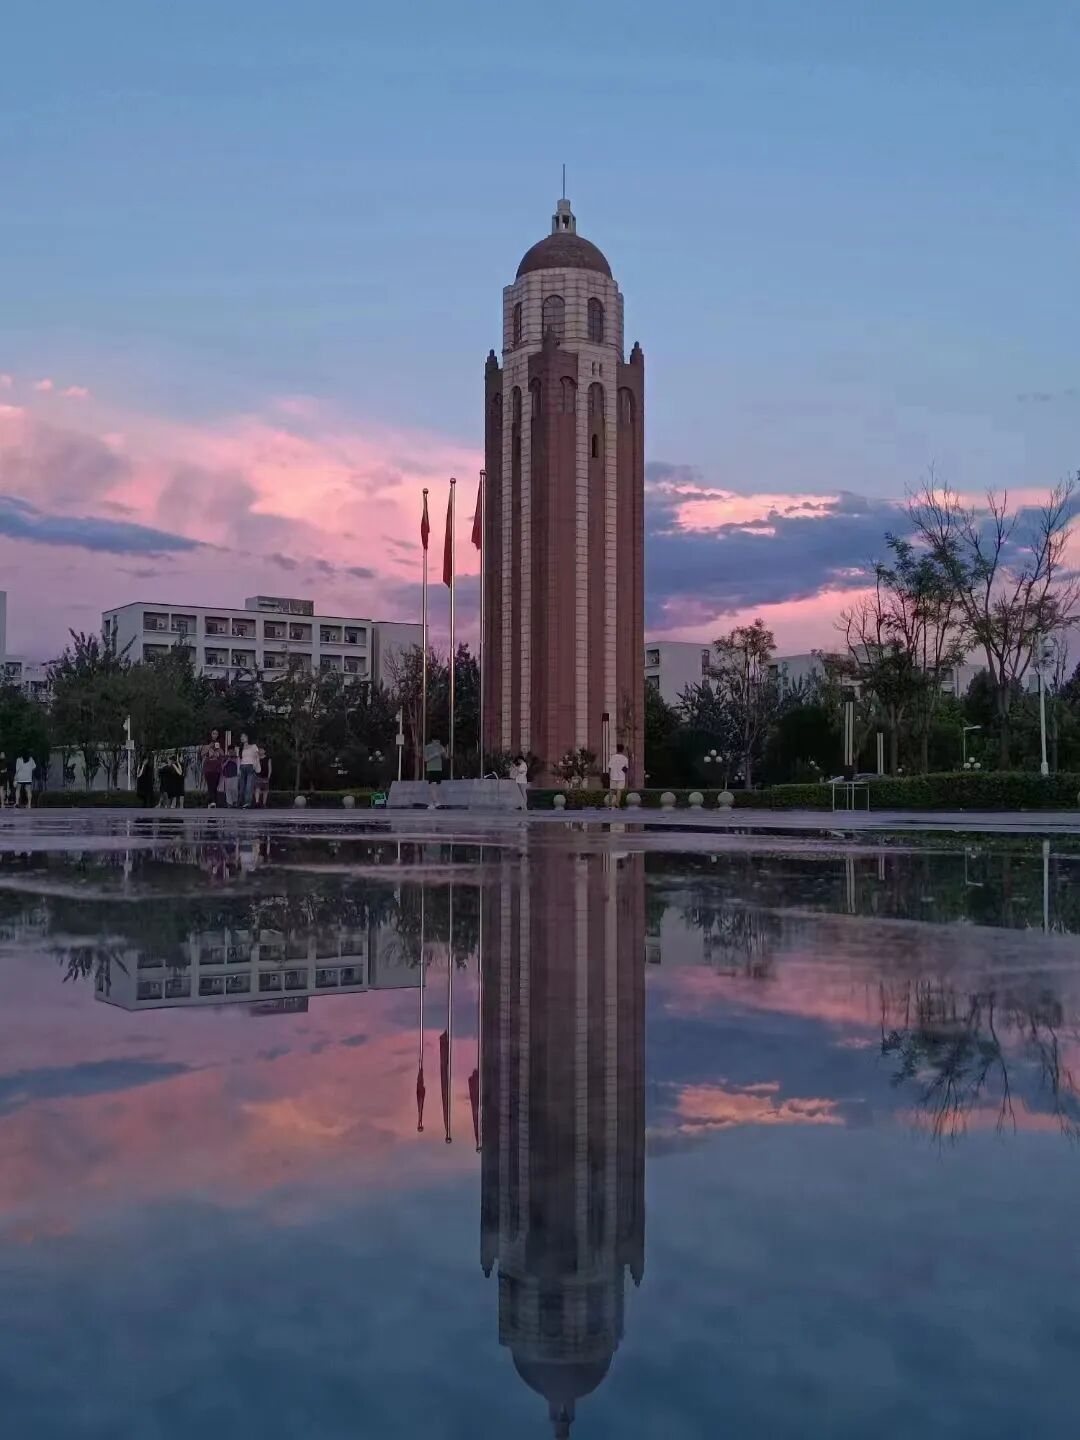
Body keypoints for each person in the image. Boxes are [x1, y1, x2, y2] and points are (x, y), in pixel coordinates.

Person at [202, 734, 224, 808]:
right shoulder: (206, 747)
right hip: (208, 769)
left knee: (215, 786)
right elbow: (202, 754)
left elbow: (222, 755)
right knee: (210, 786)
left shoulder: (219, 748)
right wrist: (209, 747)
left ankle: (211, 801)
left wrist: (218, 749)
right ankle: (213, 802)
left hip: (216, 770)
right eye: (213, 733)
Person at [239, 733, 259, 808]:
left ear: (247, 737)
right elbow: (241, 758)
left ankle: (247, 802)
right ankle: (241, 802)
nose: (242, 738)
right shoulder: (242, 748)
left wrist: (255, 765)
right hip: (242, 766)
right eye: (241, 737)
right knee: (242, 786)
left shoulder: (253, 746)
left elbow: (257, 757)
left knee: (249, 785)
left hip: (250, 766)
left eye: (243, 736)